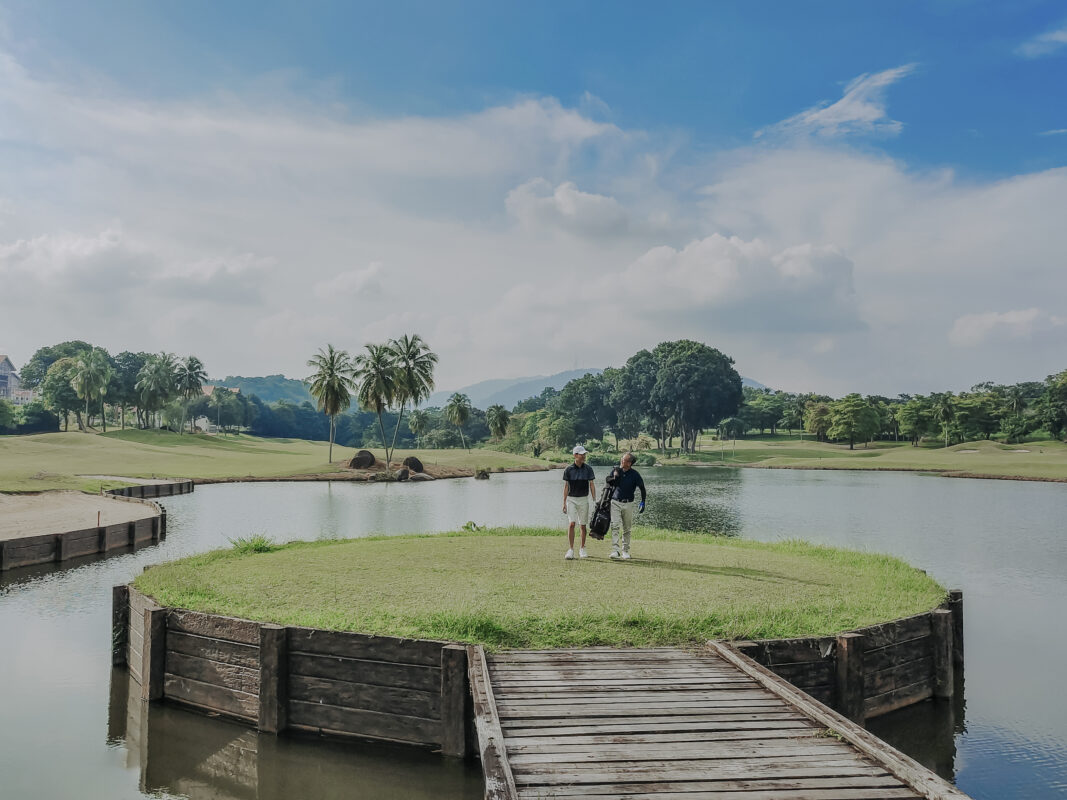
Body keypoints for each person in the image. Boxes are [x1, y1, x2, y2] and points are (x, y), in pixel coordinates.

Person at [606, 452, 646, 560]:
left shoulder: (635, 474)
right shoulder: (616, 470)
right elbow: (608, 481)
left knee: (627, 528)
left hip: (628, 503)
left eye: (624, 460)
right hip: (615, 502)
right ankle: (615, 550)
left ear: (629, 463)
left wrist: (643, 501)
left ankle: (625, 551)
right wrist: (615, 476)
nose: (621, 461)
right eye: (622, 459)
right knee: (615, 525)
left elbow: (642, 488)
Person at [562, 445, 595, 559]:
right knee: (572, 524)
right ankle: (571, 549)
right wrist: (564, 503)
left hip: (584, 499)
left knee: (583, 525)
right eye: (582, 454)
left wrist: (594, 500)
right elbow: (566, 486)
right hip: (571, 499)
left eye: (584, 454)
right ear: (575, 455)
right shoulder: (568, 469)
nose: (584, 456)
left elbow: (591, 484)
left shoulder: (588, 469)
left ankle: (582, 548)